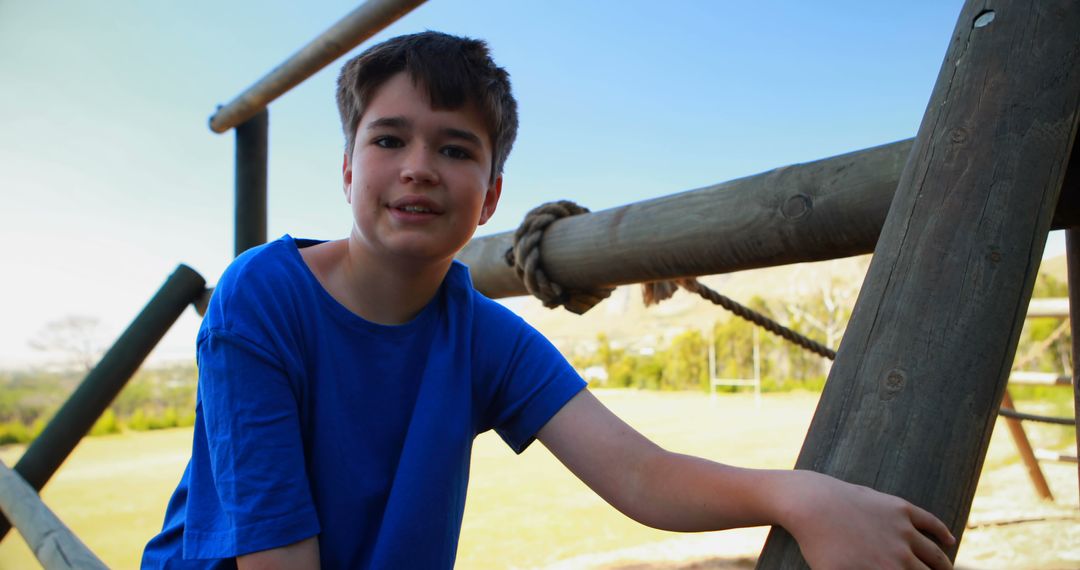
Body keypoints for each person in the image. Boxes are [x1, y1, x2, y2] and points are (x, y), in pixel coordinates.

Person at [143, 31, 955, 569]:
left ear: (491, 197)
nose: (419, 166)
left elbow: (640, 473)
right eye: (389, 139)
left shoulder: (483, 338)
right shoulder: (261, 295)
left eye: (454, 148)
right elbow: (275, 559)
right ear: (348, 170)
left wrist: (797, 493)